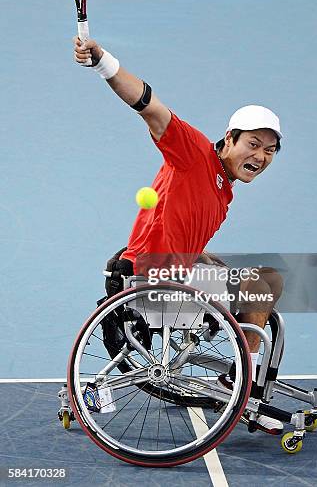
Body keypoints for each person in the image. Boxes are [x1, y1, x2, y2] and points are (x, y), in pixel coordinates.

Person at [73, 37, 284, 433]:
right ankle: (243, 384)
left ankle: (242, 378)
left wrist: (201, 257)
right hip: (152, 280)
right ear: (230, 138)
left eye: (270, 150)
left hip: (171, 277)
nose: (260, 156)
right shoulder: (193, 153)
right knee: (264, 281)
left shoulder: (223, 192)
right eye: (253, 144)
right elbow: (149, 107)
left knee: (259, 286)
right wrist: (104, 63)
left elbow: (177, 228)